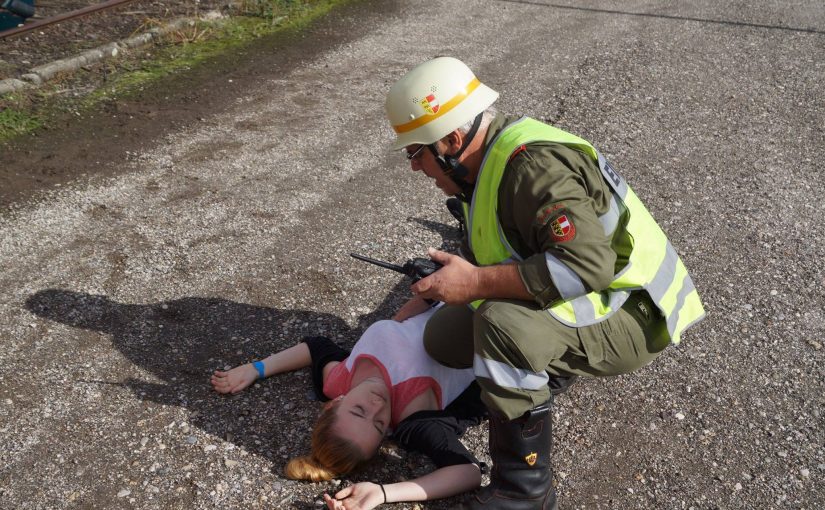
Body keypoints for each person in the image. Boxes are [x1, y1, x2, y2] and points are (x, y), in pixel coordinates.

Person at [384, 56, 706, 509]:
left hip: (630, 313)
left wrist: (476, 283)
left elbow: (585, 266)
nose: (415, 167)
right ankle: (541, 364)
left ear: (452, 140)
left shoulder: (532, 166)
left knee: (498, 324)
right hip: (593, 296)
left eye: (416, 153)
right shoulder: (485, 165)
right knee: (445, 337)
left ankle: (525, 491)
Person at [211, 306, 488, 509]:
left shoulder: (337, 380)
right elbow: (468, 472)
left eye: (358, 411)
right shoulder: (415, 420)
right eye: (380, 424)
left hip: (444, 297)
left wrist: (257, 369)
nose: (377, 407)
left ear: (337, 401)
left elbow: (315, 347)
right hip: (491, 318)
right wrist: (382, 492)